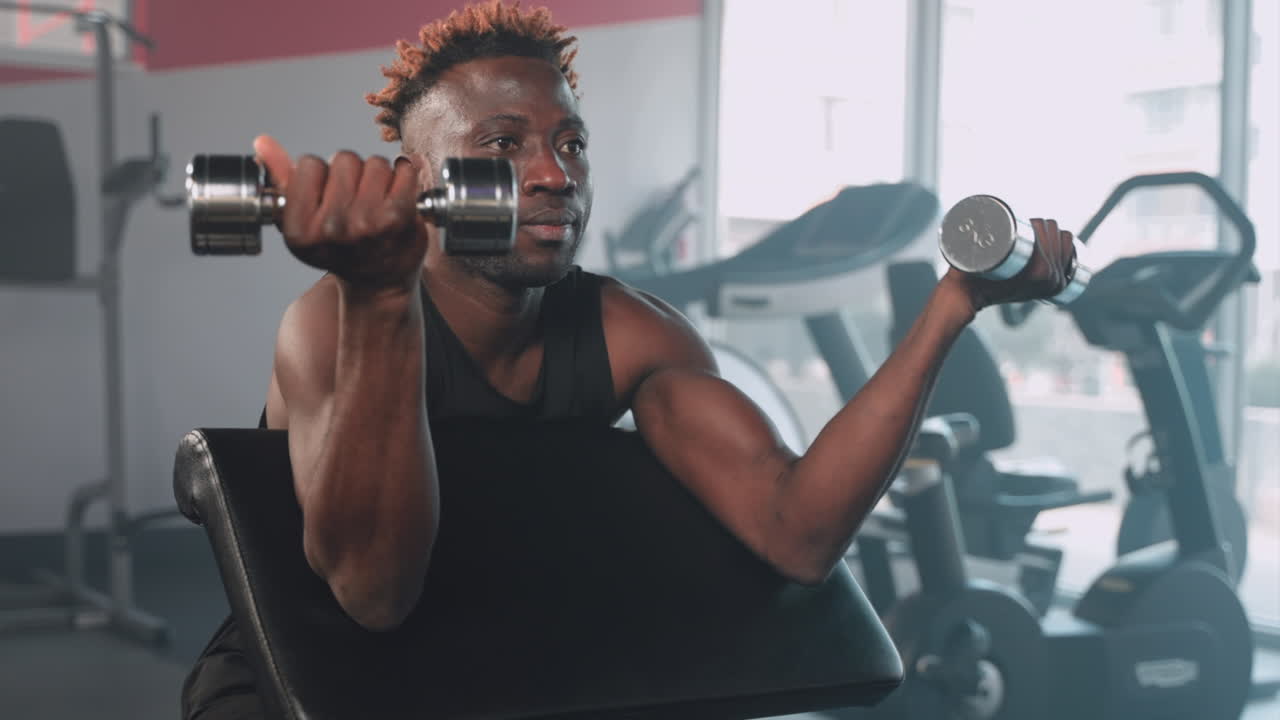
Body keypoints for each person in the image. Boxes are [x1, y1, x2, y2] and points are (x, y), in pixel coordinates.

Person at [180, 1, 1076, 717]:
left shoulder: (632, 333)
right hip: (299, 681)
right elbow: (372, 596)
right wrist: (381, 294)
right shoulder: (329, 325)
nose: (554, 174)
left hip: (503, 665)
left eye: (570, 143)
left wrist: (952, 306)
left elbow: (797, 534)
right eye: (503, 146)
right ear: (416, 181)